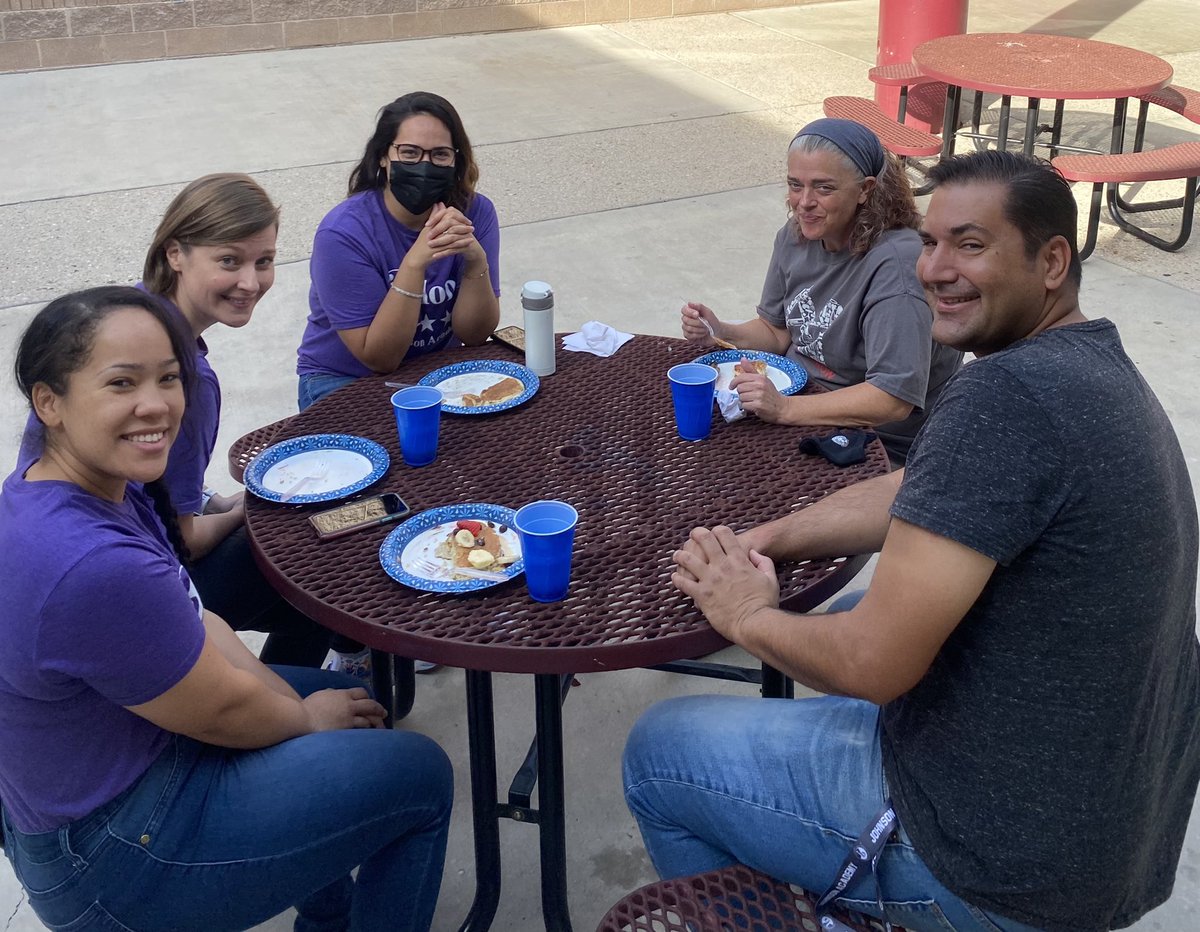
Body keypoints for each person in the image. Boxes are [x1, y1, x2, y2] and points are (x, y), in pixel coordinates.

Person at [625, 151, 1200, 931]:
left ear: (1052, 260)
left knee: (659, 751)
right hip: (1106, 832)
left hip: (998, 863)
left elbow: (873, 665)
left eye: (970, 244)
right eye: (929, 243)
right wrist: (773, 536)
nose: (934, 269)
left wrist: (746, 614)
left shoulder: (1006, 395)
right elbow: (918, 490)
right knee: (850, 608)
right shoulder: (1088, 363)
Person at [0, 286, 453, 932]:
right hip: (112, 855)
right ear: (50, 403)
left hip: (111, 784)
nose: (155, 404)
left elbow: (196, 620)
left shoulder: (80, 485)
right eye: (121, 383)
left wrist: (306, 713)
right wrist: (300, 722)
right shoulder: (88, 563)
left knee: (341, 704)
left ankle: (328, 912)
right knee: (420, 777)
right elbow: (221, 710)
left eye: (168, 378)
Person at [681, 118, 961, 464]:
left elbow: (893, 399)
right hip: (798, 408)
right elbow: (776, 332)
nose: (804, 202)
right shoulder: (796, 236)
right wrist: (721, 331)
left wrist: (784, 409)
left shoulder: (897, 267)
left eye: (824, 188)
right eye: (795, 185)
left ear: (865, 189)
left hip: (875, 445)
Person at [140, 172, 332, 667]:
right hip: (151, 589)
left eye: (263, 261)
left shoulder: (127, 310)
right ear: (175, 253)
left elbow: (150, 488)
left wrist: (216, 501)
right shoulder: (184, 378)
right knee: (309, 541)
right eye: (229, 260)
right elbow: (184, 539)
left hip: (106, 550)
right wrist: (245, 513)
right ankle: (294, 703)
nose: (251, 282)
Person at [296, 90, 501, 410]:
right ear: (382, 156)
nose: (424, 165)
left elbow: (475, 336)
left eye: (440, 155)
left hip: (438, 372)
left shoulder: (474, 213)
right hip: (346, 379)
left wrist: (475, 261)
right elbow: (380, 358)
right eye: (409, 153)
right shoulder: (343, 234)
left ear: (456, 160)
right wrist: (414, 264)